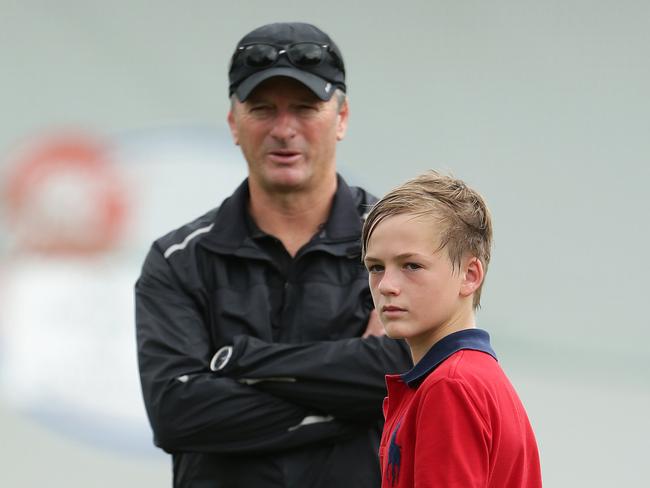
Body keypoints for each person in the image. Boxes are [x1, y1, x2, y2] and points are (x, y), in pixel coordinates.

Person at [135, 22, 412, 487]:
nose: (284, 129)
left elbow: (412, 382)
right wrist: (352, 384)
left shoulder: (402, 245)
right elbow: (177, 414)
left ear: (341, 119)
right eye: (262, 109)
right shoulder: (178, 260)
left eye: (306, 108)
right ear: (233, 124)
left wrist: (244, 364)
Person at [361, 171, 542, 487]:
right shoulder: (475, 377)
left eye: (411, 266)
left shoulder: (450, 386)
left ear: (470, 275)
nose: (386, 285)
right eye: (376, 267)